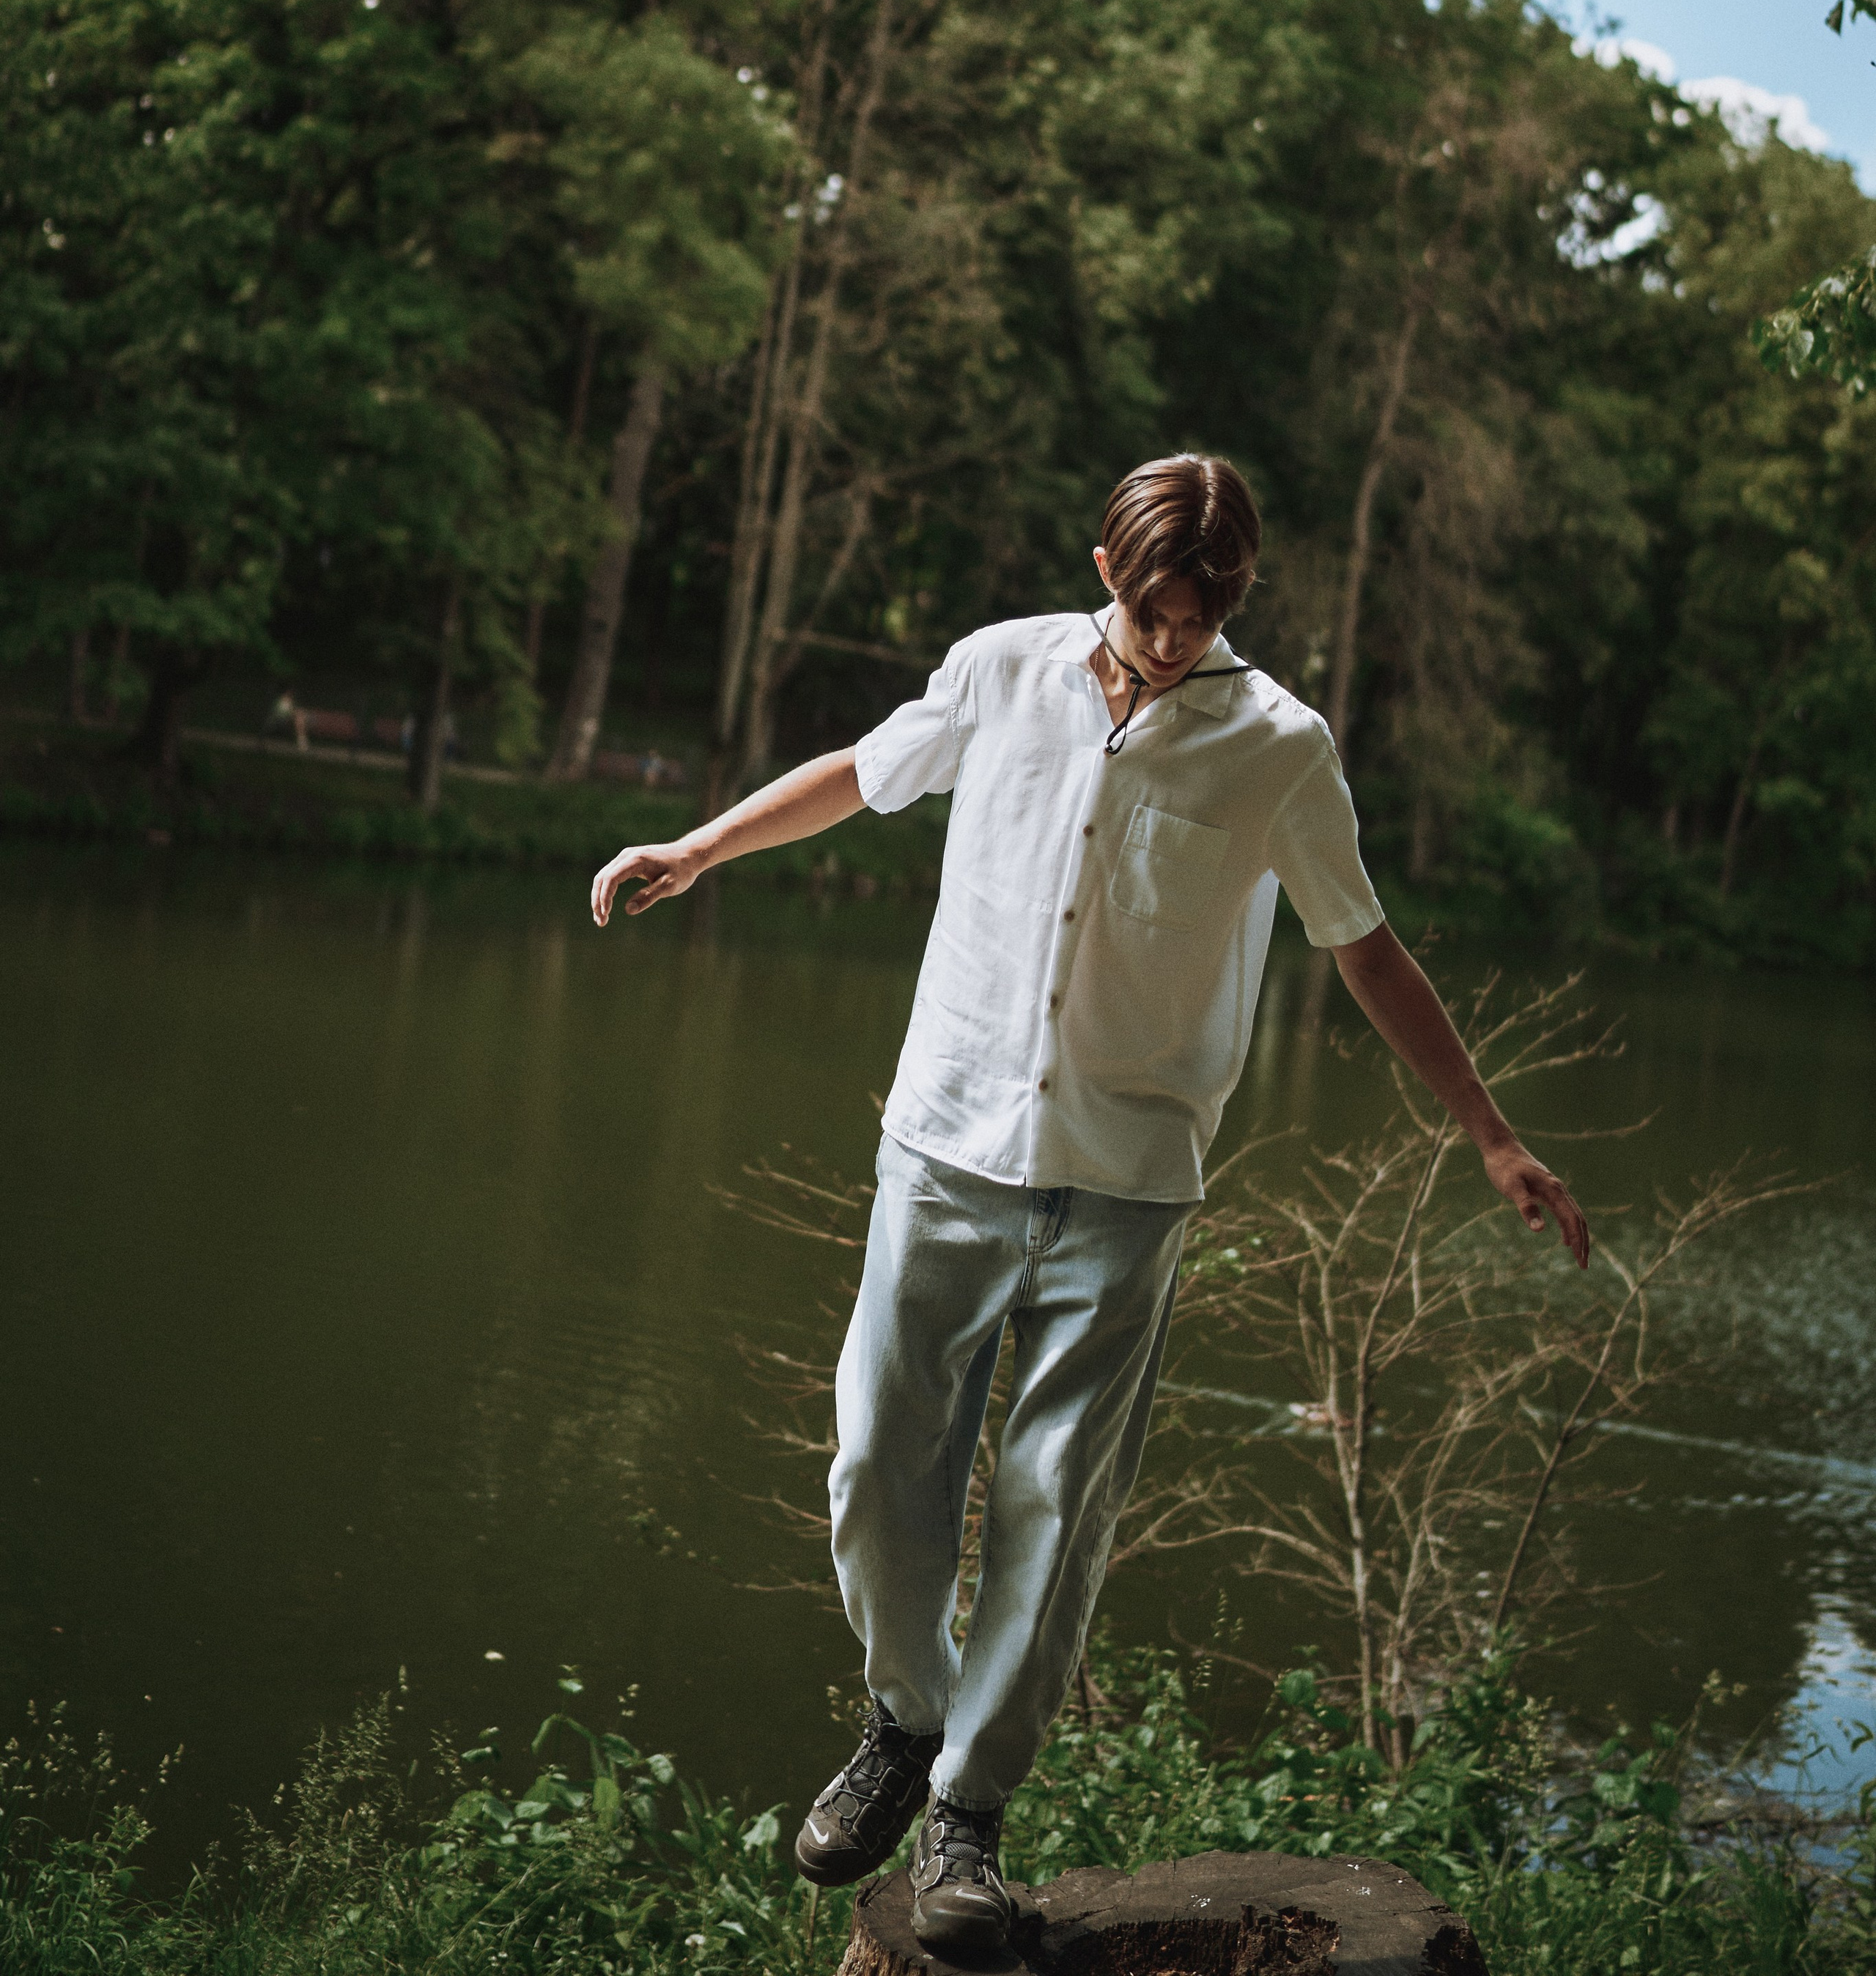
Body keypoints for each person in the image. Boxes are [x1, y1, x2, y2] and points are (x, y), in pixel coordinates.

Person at [589, 453, 1589, 1953]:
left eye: (1202, 618)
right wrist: (700, 844)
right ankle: (903, 1719)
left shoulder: (1278, 747)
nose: (1172, 641)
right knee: (875, 1464)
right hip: (945, 1146)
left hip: (1126, 1186)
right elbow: (865, 772)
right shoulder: (1000, 669)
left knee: (1053, 1512)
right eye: (1151, 610)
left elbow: (1364, 945)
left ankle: (965, 1819)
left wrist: (1489, 1134)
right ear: (1106, 570)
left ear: (1236, 600)